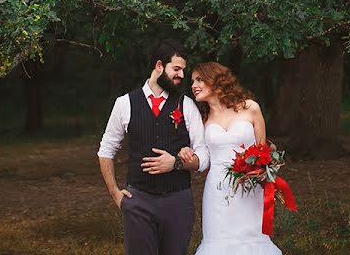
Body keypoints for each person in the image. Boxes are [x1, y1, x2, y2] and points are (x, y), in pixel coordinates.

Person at [98, 39, 210, 255]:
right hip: (138, 201)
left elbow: (203, 154)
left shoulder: (186, 104)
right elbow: (106, 150)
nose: (181, 75)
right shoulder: (125, 103)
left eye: (183, 70)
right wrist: (115, 193)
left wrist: (177, 163)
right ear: (159, 66)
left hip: (178, 201)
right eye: (176, 69)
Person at [182, 61, 282, 255]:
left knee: (251, 240)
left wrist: (261, 172)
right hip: (217, 190)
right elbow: (202, 156)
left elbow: (263, 151)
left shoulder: (250, 108)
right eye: (193, 81)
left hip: (248, 186)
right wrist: (187, 153)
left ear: (216, 80)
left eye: (199, 80)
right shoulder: (201, 119)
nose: (193, 85)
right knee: (219, 242)